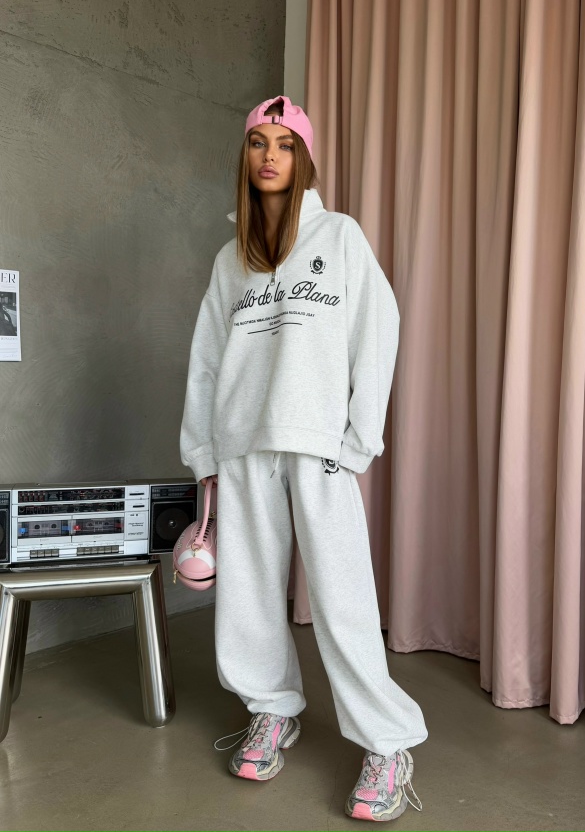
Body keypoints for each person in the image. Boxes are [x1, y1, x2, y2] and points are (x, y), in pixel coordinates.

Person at [180, 95, 427, 822]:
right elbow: (206, 360)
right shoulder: (230, 259)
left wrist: (359, 438)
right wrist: (204, 450)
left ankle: (387, 743)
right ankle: (270, 709)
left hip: (317, 442)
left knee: (343, 598)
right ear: (246, 156)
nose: (270, 156)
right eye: (259, 142)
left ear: (303, 159)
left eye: (285, 144)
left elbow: (378, 330)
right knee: (248, 594)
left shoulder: (339, 236)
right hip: (242, 441)